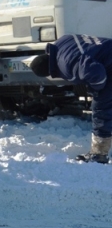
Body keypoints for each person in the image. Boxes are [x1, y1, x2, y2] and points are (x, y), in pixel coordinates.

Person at [30, 34, 112, 163]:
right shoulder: (61, 42)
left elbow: (97, 74)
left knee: (101, 110)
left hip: (108, 66)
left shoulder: (66, 64)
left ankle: (99, 154)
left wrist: (95, 90)